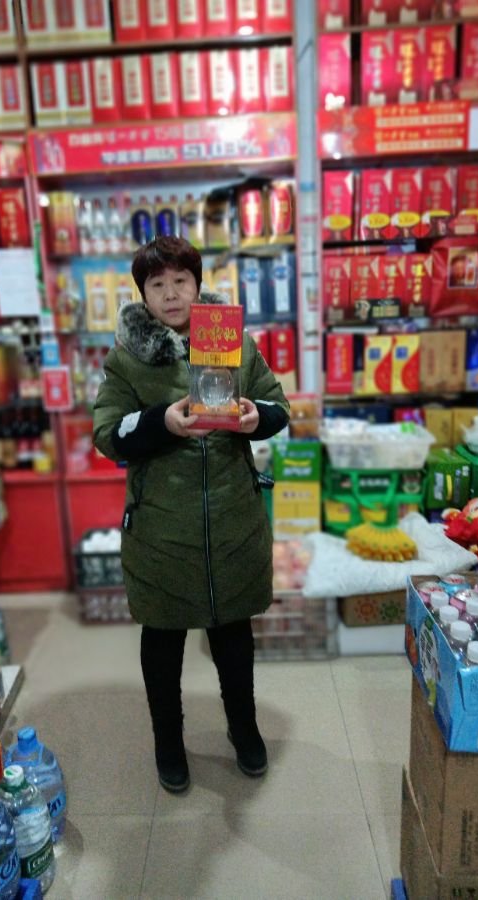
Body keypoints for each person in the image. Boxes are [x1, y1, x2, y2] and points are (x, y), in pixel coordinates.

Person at [93, 236, 290, 793]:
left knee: (234, 636)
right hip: (162, 529)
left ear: (198, 285)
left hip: (232, 519)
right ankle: (168, 742)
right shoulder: (127, 359)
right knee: (162, 642)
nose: (172, 293)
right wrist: (161, 422)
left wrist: (254, 416)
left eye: (181, 280)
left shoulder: (233, 342)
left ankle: (244, 729)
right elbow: (107, 432)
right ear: (143, 295)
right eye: (158, 284)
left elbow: (277, 405)